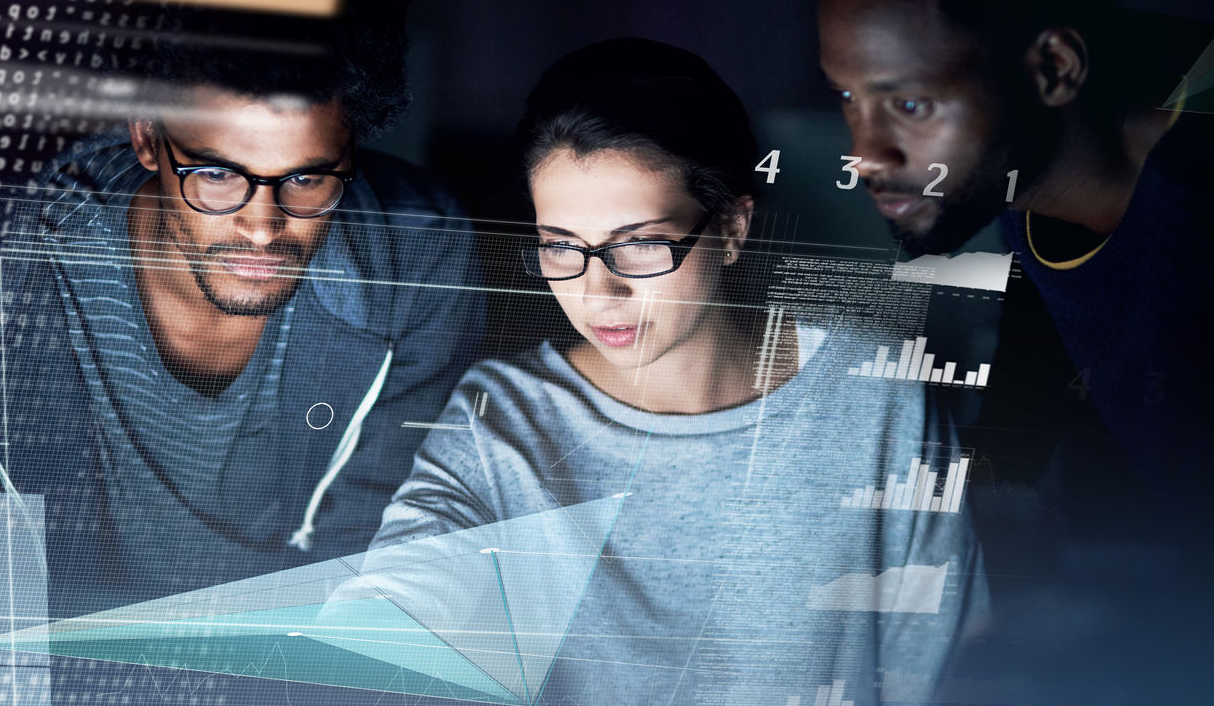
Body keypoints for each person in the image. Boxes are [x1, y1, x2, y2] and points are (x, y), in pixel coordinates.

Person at [346, 38, 988, 705]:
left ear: (734, 228)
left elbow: (948, 669)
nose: (599, 294)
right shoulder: (501, 422)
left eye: (641, 245)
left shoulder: (875, 394)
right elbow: (396, 594)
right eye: (562, 249)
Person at [0, 0, 482, 619]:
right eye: (217, 175)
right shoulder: (5, 271)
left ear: (351, 150)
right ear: (146, 140)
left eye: (307, 178)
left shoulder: (419, 258)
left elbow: (376, 548)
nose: (261, 227)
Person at [816, 0, 1213, 700]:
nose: (864, 154)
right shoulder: (1029, 183)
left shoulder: (1193, 217)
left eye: (909, 105)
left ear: (1054, 70)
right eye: (848, 98)